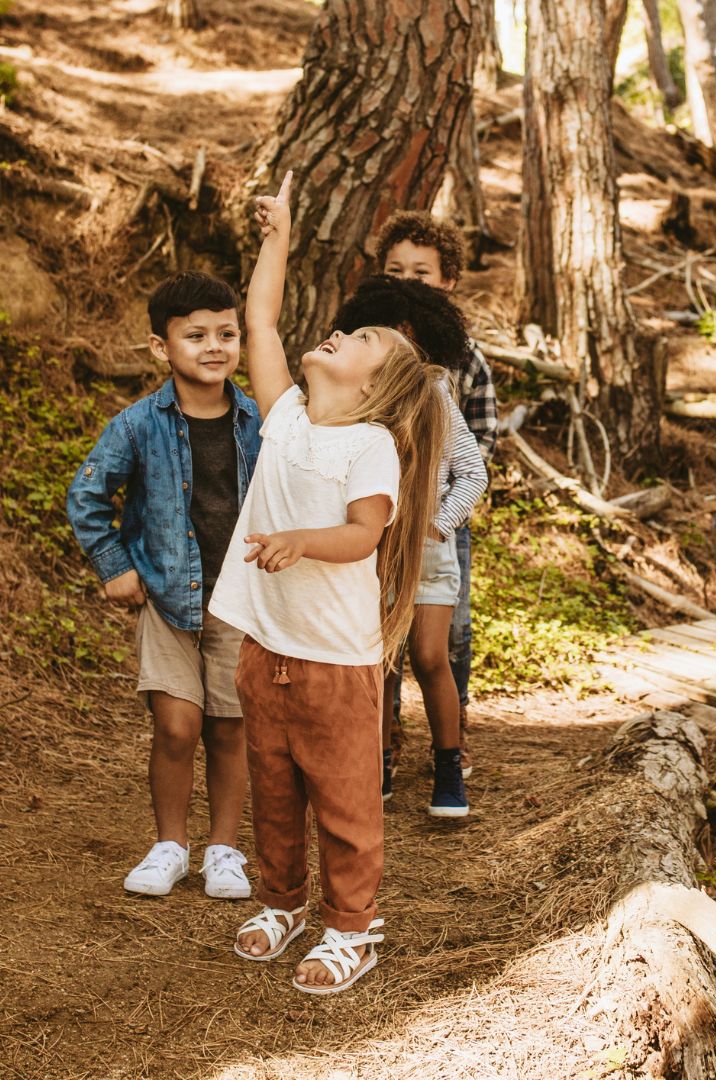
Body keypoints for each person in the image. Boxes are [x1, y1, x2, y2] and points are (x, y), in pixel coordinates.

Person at [210, 172, 448, 994]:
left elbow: (362, 534)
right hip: (264, 646)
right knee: (272, 791)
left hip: (336, 664)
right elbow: (261, 320)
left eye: (360, 342)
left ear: (373, 385)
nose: (340, 336)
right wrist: (277, 239)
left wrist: (300, 542)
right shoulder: (286, 419)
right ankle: (282, 902)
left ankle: (354, 927)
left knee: (345, 804)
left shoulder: (370, 445)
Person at [67, 272, 261, 900]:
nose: (214, 346)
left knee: (230, 727)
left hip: (239, 598)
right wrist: (114, 566)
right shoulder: (138, 424)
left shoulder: (257, 420)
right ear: (161, 347)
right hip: (169, 599)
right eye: (196, 335)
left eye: (227, 334)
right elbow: (87, 495)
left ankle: (225, 851)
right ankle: (170, 845)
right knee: (177, 726)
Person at [327, 276, 487, 817]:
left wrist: (439, 524)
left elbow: (472, 471)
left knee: (428, 655)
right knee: (378, 661)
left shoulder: (435, 391)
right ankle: (376, 766)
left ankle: (448, 767)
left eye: (402, 333)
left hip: (427, 552)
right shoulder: (353, 397)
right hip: (371, 550)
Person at [375, 211, 498, 782]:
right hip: (376, 518)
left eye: (421, 272)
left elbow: (482, 440)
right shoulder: (368, 347)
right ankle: (385, 735)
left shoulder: (461, 357)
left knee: (447, 635)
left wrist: (446, 513)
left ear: (447, 279)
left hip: (443, 517)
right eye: (396, 269)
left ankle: (455, 734)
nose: (408, 279)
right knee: (379, 634)